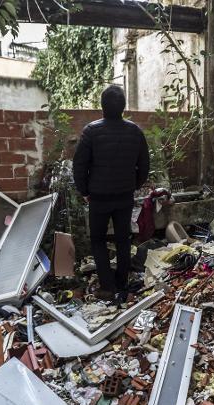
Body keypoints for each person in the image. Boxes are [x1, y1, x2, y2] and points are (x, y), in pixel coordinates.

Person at [73, 85, 150, 303]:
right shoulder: (135, 131)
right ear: (123, 107)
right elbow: (144, 165)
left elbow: (79, 165)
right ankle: (122, 282)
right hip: (124, 196)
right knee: (123, 239)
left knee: (97, 240)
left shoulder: (91, 131)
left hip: (98, 198)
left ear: (102, 107)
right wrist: (134, 185)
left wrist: (84, 191)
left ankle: (107, 286)